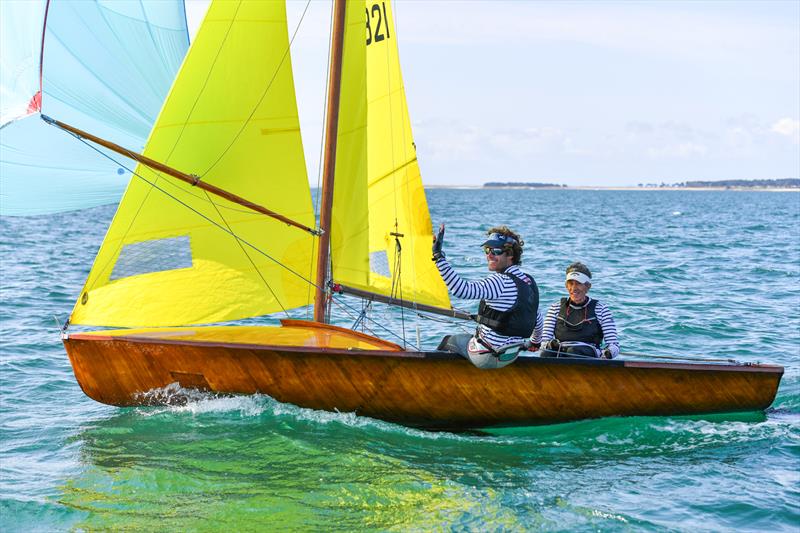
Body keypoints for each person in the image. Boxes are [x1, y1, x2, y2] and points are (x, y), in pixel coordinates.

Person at [432, 224, 543, 369]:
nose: (489, 255)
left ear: (510, 255)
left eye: (496, 251)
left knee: (449, 341)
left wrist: (439, 257)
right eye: (487, 250)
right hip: (510, 356)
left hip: (487, 357)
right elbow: (537, 317)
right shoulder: (528, 282)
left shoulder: (500, 281)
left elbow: (461, 290)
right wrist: (535, 342)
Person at [539, 262, 619, 359]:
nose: (573, 288)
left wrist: (608, 353)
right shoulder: (555, 308)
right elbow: (544, 342)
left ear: (588, 286)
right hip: (561, 352)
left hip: (588, 354)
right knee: (546, 353)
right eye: (571, 283)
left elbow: (614, 345)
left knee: (572, 351)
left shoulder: (601, 309)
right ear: (566, 285)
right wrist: (550, 345)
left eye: (578, 284)